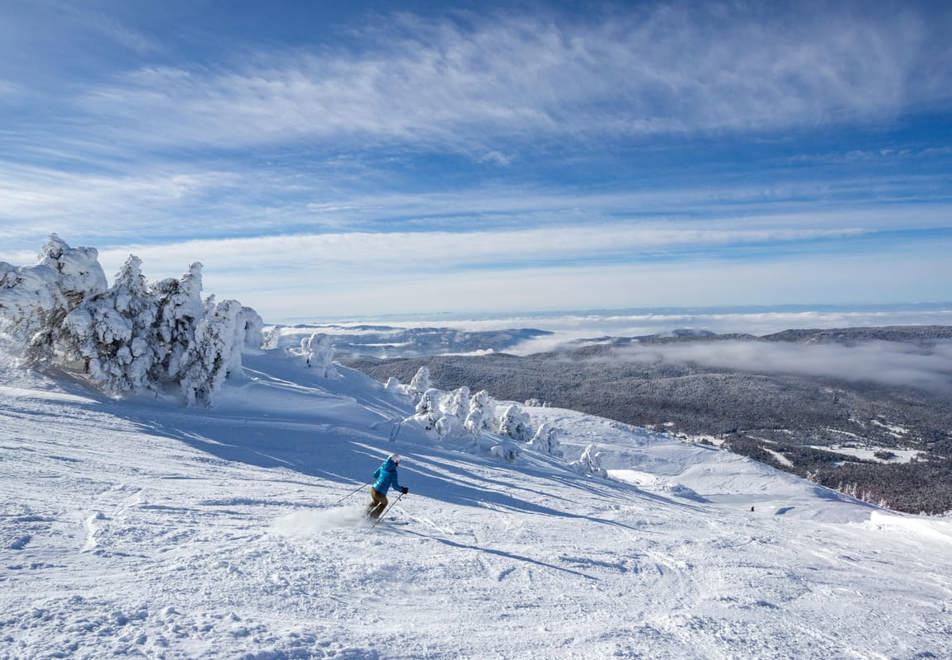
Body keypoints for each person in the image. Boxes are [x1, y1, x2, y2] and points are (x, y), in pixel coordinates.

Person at [367, 454, 409, 520]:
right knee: (384, 503)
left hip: (373, 489)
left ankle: (364, 514)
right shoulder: (393, 472)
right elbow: (395, 486)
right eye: (398, 462)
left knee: (375, 502)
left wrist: (381, 477)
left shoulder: (383, 465)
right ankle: (372, 518)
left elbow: (375, 475)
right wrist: (403, 489)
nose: (398, 464)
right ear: (395, 461)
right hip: (380, 493)